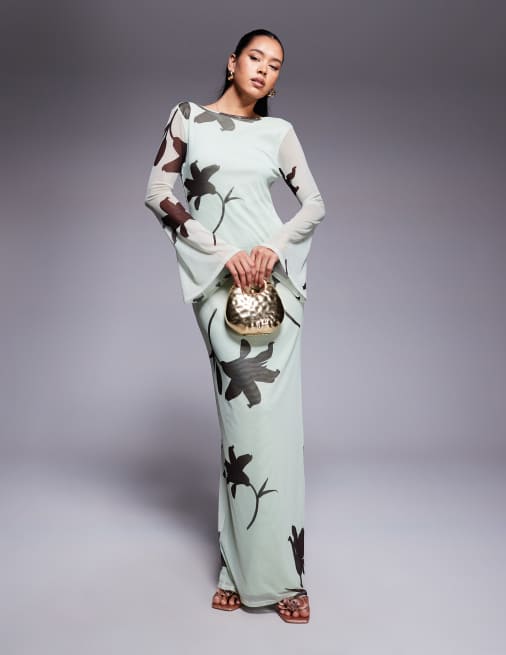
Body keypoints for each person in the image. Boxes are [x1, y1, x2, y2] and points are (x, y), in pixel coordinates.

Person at [144, 28, 325, 624]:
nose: (264, 70)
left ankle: (286, 580)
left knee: (278, 429)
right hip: (220, 282)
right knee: (240, 426)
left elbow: (315, 204)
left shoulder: (279, 132)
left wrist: (271, 249)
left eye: (275, 65)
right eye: (255, 58)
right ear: (232, 62)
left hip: (271, 287)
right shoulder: (189, 118)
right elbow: (158, 191)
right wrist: (223, 252)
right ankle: (237, 567)